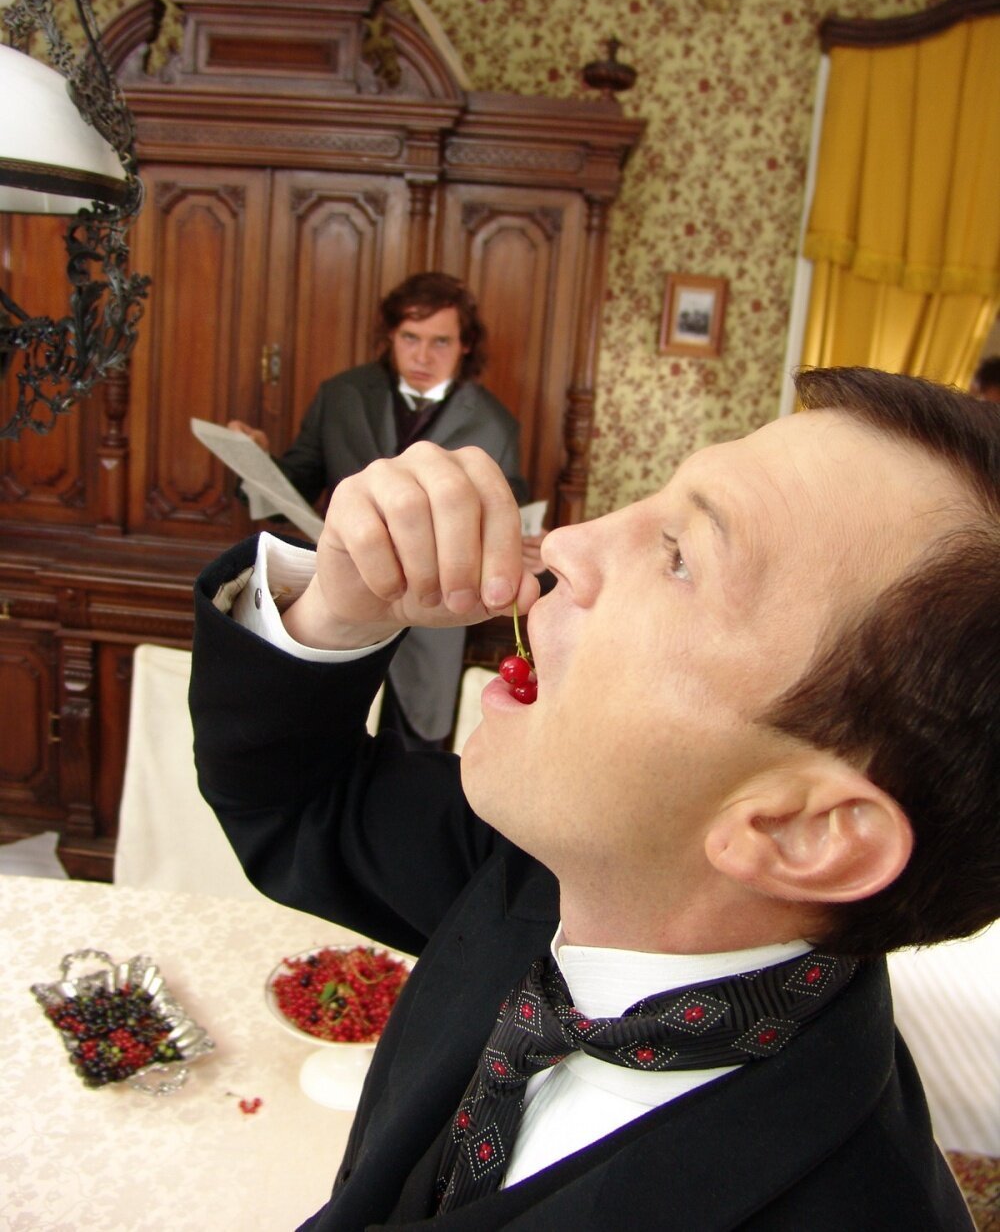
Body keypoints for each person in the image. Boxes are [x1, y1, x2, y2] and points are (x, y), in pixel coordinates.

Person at [190, 367, 998, 1229]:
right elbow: (297, 804)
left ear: (802, 830)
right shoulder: (553, 873)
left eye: (681, 557)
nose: (567, 544)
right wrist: (340, 609)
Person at [227, 271, 544, 750]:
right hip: (337, 613)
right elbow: (291, 489)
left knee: (412, 759)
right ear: (391, 336)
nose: (422, 356)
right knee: (314, 748)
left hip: (433, 629)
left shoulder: (497, 424)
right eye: (410, 337)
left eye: (440, 341)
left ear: (464, 346)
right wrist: (254, 462)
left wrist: (519, 547)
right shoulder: (340, 395)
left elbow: (508, 516)